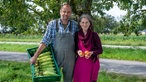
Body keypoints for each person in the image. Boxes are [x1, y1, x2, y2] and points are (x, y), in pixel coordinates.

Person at [30, 2, 78, 82]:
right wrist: (35, 56)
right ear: (60, 12)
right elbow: (45, 41)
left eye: (68, 12)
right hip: (55, 58)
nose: (66, 14)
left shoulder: (75, 25)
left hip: (70, 60)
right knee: (53, 79)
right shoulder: (52, 24)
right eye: (64, 11)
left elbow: (81, 42)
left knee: (68, 80)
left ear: (71, 13)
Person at [73, 14, 103, 82]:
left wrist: (91, 53)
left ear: (90, 23)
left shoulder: (94, 35)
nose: (85, 24)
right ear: (80, 23)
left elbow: (100, 50)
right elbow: (75, 48)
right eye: (83, 22)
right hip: (80, 63)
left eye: (87, 22)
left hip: (92, 63)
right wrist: (78, 51)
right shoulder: (76, 35)